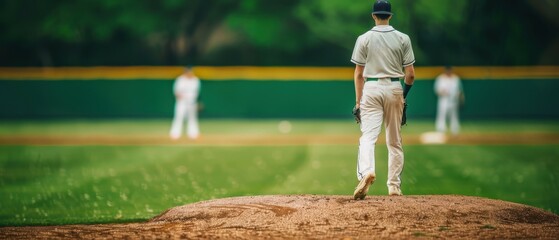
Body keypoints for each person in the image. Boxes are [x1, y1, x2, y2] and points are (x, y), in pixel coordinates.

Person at [350, 0, 415, 199]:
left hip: (371, 87)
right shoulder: (403, 38)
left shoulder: (364, 38)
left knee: (368, 137)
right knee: (394, 141)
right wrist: (402, 97)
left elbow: (359, 74)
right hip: (395, 86)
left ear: (373, 16)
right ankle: (394, 186)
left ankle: (366, 172)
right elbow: (410, 74)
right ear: (390, 16)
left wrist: (359, 102)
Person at [170, 67, 200, 140]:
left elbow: (197, 93)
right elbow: (176, 92)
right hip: (182, 102)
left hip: (192, 102)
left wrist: (196, 102)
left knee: (192, 118)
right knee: (179, 117)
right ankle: (175, 134)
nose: (189, 73)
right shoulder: (180, 80)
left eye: (190, 72)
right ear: (185, 72)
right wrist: (182, 98)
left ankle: (193, 134)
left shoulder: (195, 80)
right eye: (188, 72)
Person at [435, 66, 463, 135]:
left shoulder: (456, 78)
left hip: (454, 100)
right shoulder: (440, 78)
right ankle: (440, 131)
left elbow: (460, 91)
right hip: (444, 100)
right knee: (442, 115)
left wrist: (461, 98)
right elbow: (437, 90)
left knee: (454, 116)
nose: (449, 72)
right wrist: (443, 92)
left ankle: (455, 131)